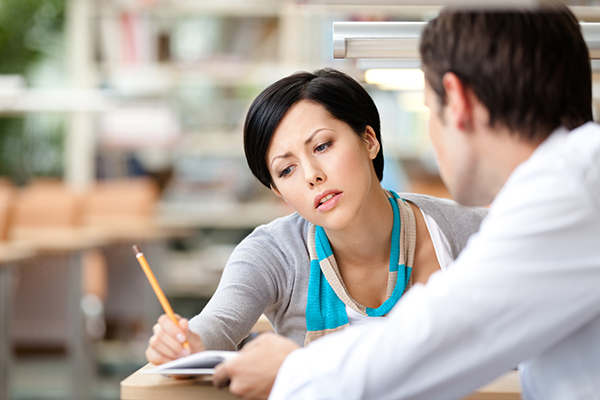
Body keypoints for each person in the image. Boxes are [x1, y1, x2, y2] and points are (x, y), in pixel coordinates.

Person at [212, 5, 600, 400]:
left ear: (458, 100)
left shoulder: (569, 193)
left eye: (430, 109)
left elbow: (450, 330)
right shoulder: (575, 178)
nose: (312, 174)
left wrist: (294, 369)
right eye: (286, 169)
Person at [145, 68, 487, 364]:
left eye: (322, 146)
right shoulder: (271, 253)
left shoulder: (470, 232)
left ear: (369, 140)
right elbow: (218, 324)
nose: (312, 175)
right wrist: (187, 342)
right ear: (278, 192)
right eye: (287, 169)